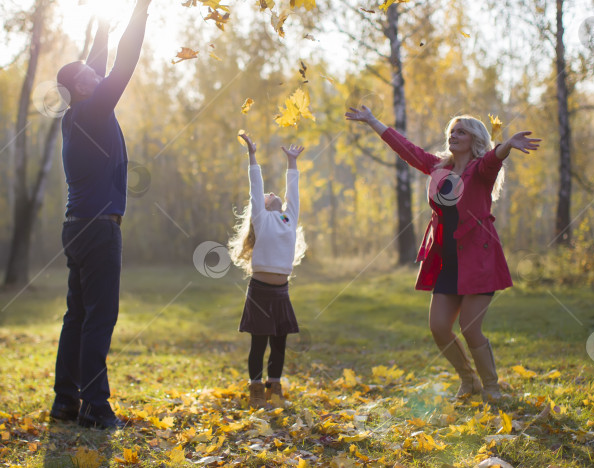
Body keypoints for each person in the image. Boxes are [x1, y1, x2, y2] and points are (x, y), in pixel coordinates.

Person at [345, 105, 540, 403]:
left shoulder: (480, 169)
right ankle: (468, 380)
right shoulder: (439, 168)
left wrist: (505, 147)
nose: (454, 136)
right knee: (438, 327)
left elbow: (492, 159)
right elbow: (407, 150)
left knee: (471, 329)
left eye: (461, 131)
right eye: (451, 131)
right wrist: (373, 121)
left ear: (474, 138)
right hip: (448, 262)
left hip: (479, 261)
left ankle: (492, 387)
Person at [49, 0, 160, 429]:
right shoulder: (94, 109)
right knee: (98, 319)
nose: (97, 73)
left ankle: (65, 403)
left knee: (77, 317)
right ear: (81, 86)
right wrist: (139, 8)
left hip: (77, 227)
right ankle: (95, 406)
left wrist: (100, 29)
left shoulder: (74, 117)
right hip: (97, 229)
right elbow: (124, 64)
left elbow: (97, 63)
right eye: (90, 74)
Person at [228, 133, 307, 409]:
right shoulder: (261, 220)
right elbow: (255, 185)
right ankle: (256, 388)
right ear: (260, 206)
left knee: (279, 344)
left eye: (274, 193)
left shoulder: (288, 218)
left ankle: (275, 386)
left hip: (281, 292)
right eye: (266, 194)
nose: (270, 193)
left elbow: (293, 192)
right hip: (260, 292)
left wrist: (292, 162)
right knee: (258, 344)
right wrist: (252, 155)